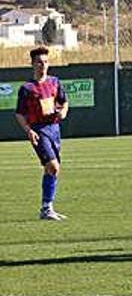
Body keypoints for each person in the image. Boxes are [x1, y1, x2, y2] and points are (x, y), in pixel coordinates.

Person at [14, 46, 69, 221]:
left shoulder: (54, 82)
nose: (43, 65)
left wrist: (63, 112)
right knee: (52, 166)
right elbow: (19, 113)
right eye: (39, 62)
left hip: (54, 129)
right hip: (39, 130)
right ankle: (46, 208)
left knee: (53, 169)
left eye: (45, 62)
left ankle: (47, 208)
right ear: (33, 64)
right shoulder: (27, 88)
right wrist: (28, 130)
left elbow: (64, 101)